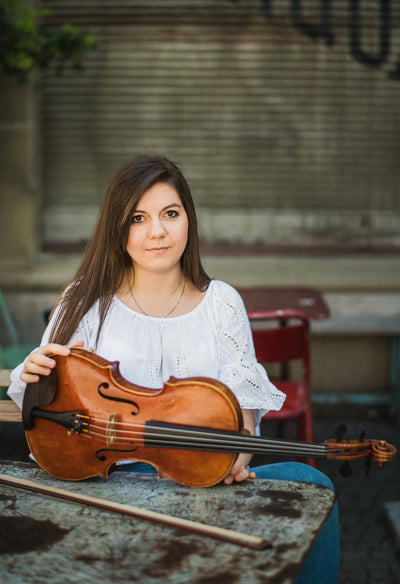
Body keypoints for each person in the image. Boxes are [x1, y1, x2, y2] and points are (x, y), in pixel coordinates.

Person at [8, 154, 339, 583]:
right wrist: (36, 375)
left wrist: (235, 459)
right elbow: (45, 414)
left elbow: (246, 412)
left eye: (170, 213)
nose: (157, 232)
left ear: (188, 219)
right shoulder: (84, 301)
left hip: (198, 480)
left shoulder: (222, 302)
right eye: (138, 218)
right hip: (106, 482)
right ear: (118, 229)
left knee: (314, 486)